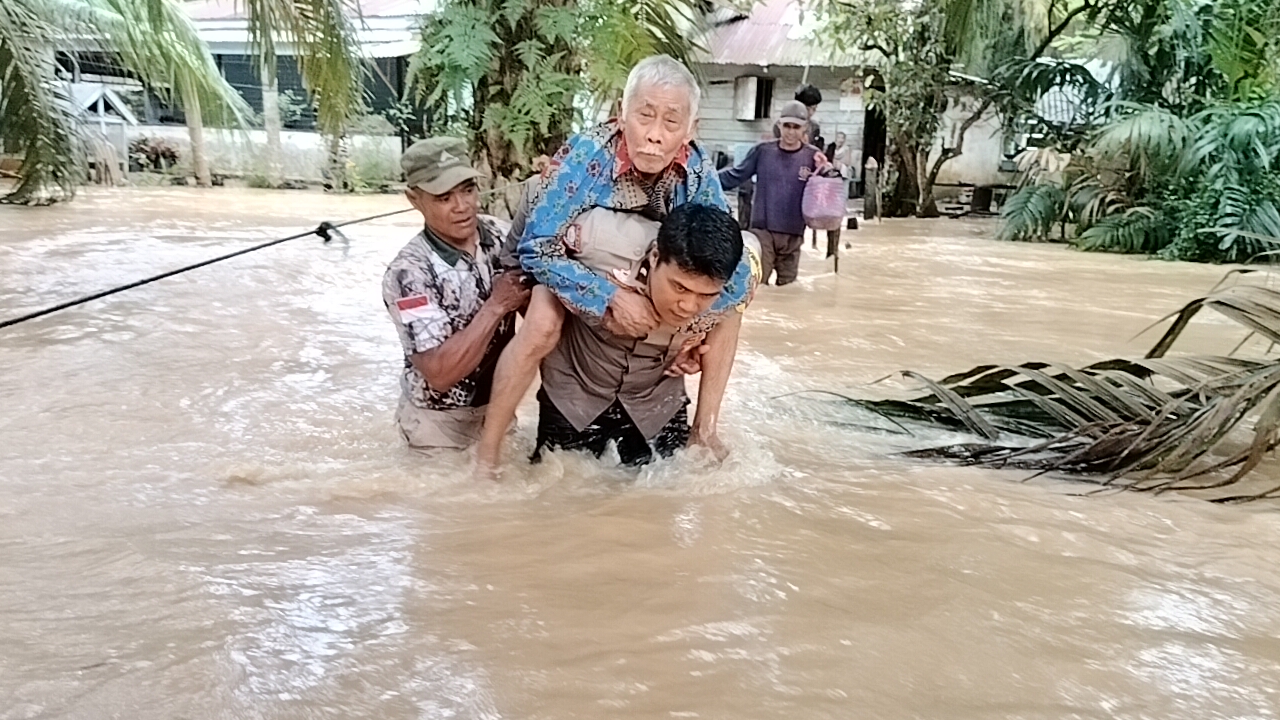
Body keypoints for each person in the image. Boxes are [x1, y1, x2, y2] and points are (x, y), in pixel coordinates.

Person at [473, 54, 755, 472]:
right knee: (543, 321)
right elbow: (538, 247)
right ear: (622, 116)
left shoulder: (697, 176)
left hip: (646, 267)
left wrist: (688, 336)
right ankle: (488, 452)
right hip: (559, 250)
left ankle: (705, 431)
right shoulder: (588, 157)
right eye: (645, 116)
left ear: (691, 130)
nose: (655, 136)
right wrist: (609, 297)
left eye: (671, 123)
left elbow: (735, 277)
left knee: (728, 304)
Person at [535, 204, 755, 466]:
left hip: (657, 403)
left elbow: (731, 315)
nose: (688, 306)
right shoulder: (595, 239)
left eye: (705, 295)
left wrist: (704, 429)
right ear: (654, 257)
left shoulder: (736, 286)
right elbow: (530, 250)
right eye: (679, 287)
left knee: (670, 490)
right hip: (574, 395)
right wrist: (607, 297)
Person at [382, 136, 531, 450]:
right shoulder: (409, 274)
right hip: (437, 425)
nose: (463, 207)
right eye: (444, 197)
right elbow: (439, 373)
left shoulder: (502, 235)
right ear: (414, 198)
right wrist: (497, 306)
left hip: (497, 411)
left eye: (468, 190)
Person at [719, 100, 826, 286]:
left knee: (788, 289)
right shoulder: (763, 151)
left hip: (794, 233)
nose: (791, 132)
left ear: (805, 129)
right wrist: (705, 179)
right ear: (779, 125)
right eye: (787, 126)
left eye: (796, 127)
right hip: (763, 231)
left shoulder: (813, 156)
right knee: (758, 285)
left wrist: (829, 170)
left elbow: (828, 187)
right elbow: (735, 175)